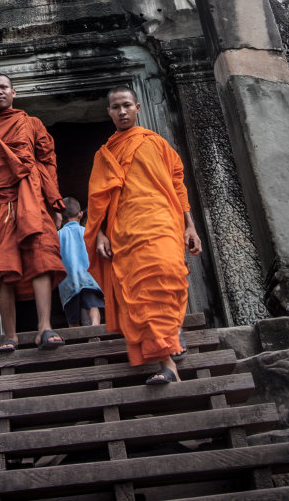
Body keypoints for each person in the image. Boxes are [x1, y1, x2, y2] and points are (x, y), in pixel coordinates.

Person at [84, 85, 202, 384]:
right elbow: (97, 200)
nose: (122, 112)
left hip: (163, 220)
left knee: (170, 277)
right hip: (124, 229)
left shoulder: (157, 143)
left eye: (126, 105)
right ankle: (167, 365)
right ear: (108, 112)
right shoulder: (105, 154)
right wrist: (99, 234)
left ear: (138, 107)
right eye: (115, 107)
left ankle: (174, 330)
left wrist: (190, 225)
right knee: (141, 294)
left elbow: (178, 184)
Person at [0, 73, 66, 353]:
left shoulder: (32, 124)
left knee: (41, 257)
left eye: (3, 87)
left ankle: (45, 326)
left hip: (32, 197)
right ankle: (11, 335)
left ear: (14, 91)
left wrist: (53, 201)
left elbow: (47, 161)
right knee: (2, 265)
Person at [58, 197, 105, 328]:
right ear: (80, 214)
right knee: (93, 305)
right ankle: (95, 327)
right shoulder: (87, 232)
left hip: (68, 280)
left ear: (61, 216)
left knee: (72, 315)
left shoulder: (58, 235)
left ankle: (75, 336)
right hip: (88, 276)